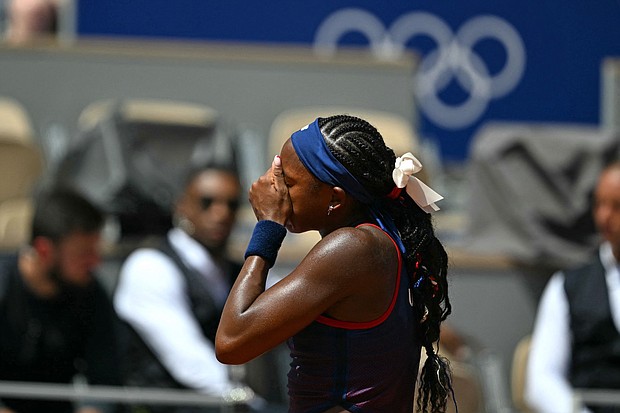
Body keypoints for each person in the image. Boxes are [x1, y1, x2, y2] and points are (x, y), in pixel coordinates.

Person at [215, 114, 454, 413]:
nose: (273, 189)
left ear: (335, 200)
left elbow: (232, 342)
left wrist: (268, 226)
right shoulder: (377, 240)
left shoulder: (351, 248)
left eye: (287, 181)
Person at [114, 162, 253, 412]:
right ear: (182, 206)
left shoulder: (240, 270)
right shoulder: (149, 266)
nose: (221, 213)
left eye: (231, 204)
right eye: (207, 202)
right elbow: (192, 365)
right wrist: (254, 401)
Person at [0, 188, 121, 413]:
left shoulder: (90, 293)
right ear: (44, 250)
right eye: (84, 253)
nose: (95, 262)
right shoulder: (4, 286)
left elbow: (105, 380)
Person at [525, 161, 620, 413]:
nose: (604, 217)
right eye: (599, 204)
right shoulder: (567, 286)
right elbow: (542, 380)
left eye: (617, 206)